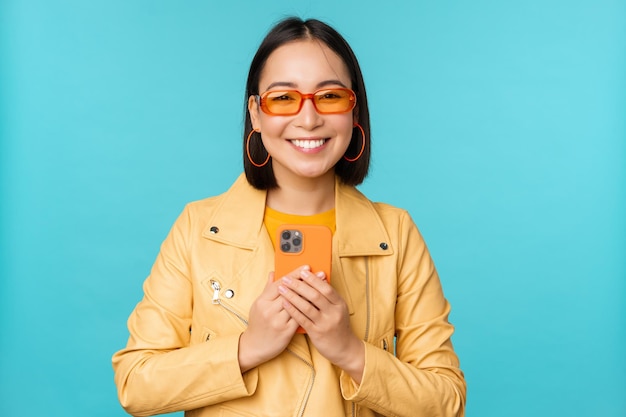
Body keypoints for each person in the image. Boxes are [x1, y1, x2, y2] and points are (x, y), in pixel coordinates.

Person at [112, 17, 466, 417]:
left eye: (330, 96)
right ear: (256, 114)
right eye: (283, 98)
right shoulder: (199, 228)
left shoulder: (395, 233)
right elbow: (135, 383)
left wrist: (350, 351)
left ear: (354, 112)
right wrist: (248, 347)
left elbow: (447, 401)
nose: (309, 118)